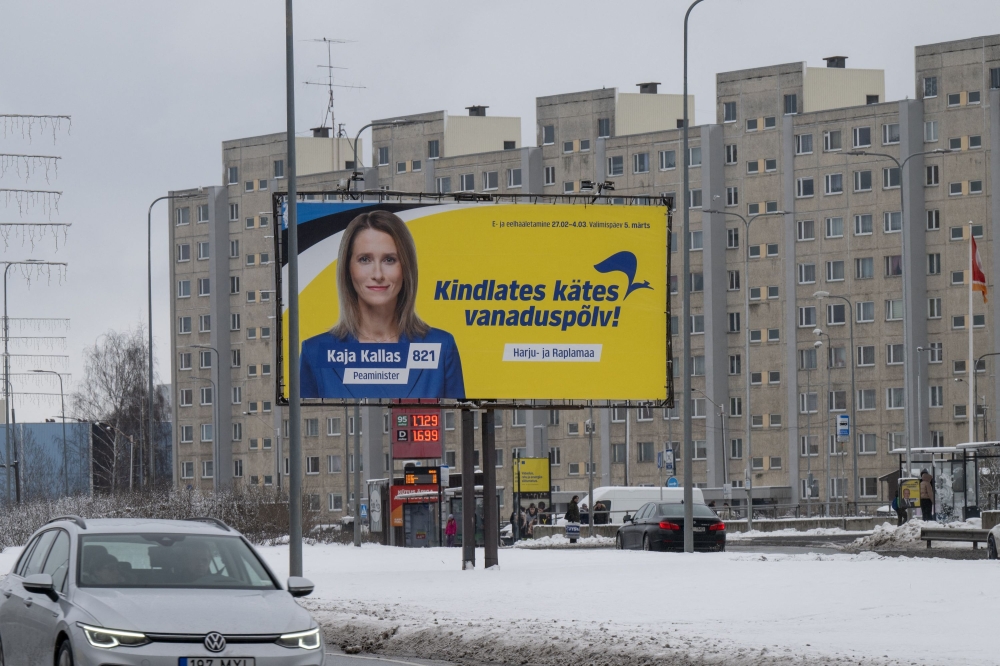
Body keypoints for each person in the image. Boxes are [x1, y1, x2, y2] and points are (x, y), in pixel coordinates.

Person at [300, 210, 465, 399]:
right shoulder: (315, 352)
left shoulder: (442, 347)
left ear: (406, 268)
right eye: (365, 259)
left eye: (389, 260)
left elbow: (456, 417)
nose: (377, 274)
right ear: (348, 269)